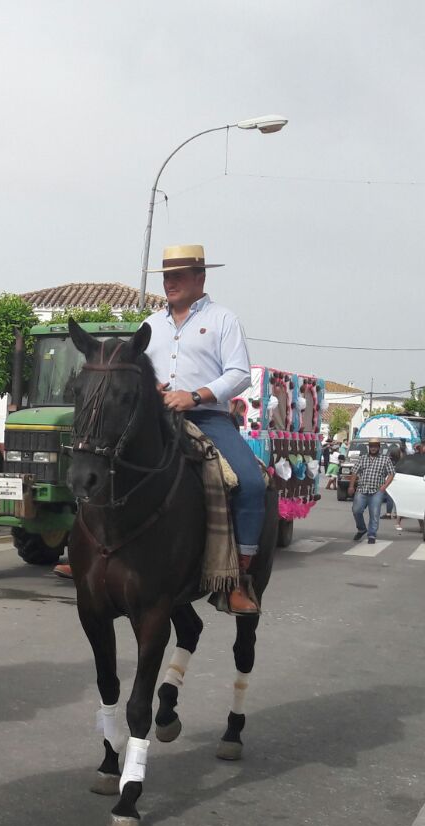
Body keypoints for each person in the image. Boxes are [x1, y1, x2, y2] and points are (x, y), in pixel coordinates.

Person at [140, 244, 265, 614]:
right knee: (102, 460)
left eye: (178, 276)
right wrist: (153, 388)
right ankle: (88, 551)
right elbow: (138, 368)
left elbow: (239, 374)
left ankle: (239, 579)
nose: (170, 283)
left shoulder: (223, 319)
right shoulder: (150, 325)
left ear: (200, 278)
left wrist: (195, 396)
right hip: (158, 418)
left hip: (208, 418)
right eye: (166, 277)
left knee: (251, 483)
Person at [347, 438, 395, 544]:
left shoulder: (385, 459)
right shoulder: (362, 458)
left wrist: (384, 486)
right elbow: (354, 472)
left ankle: (372, 534)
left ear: (379, 447)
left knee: (374, 513)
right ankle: (361, 529)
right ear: (369, 447)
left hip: (377, 491)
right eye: (371, 446)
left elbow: (391, 473)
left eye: (375, 446)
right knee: (356, 510)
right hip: (362, 489)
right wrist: (351, 486)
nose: (373, 448)